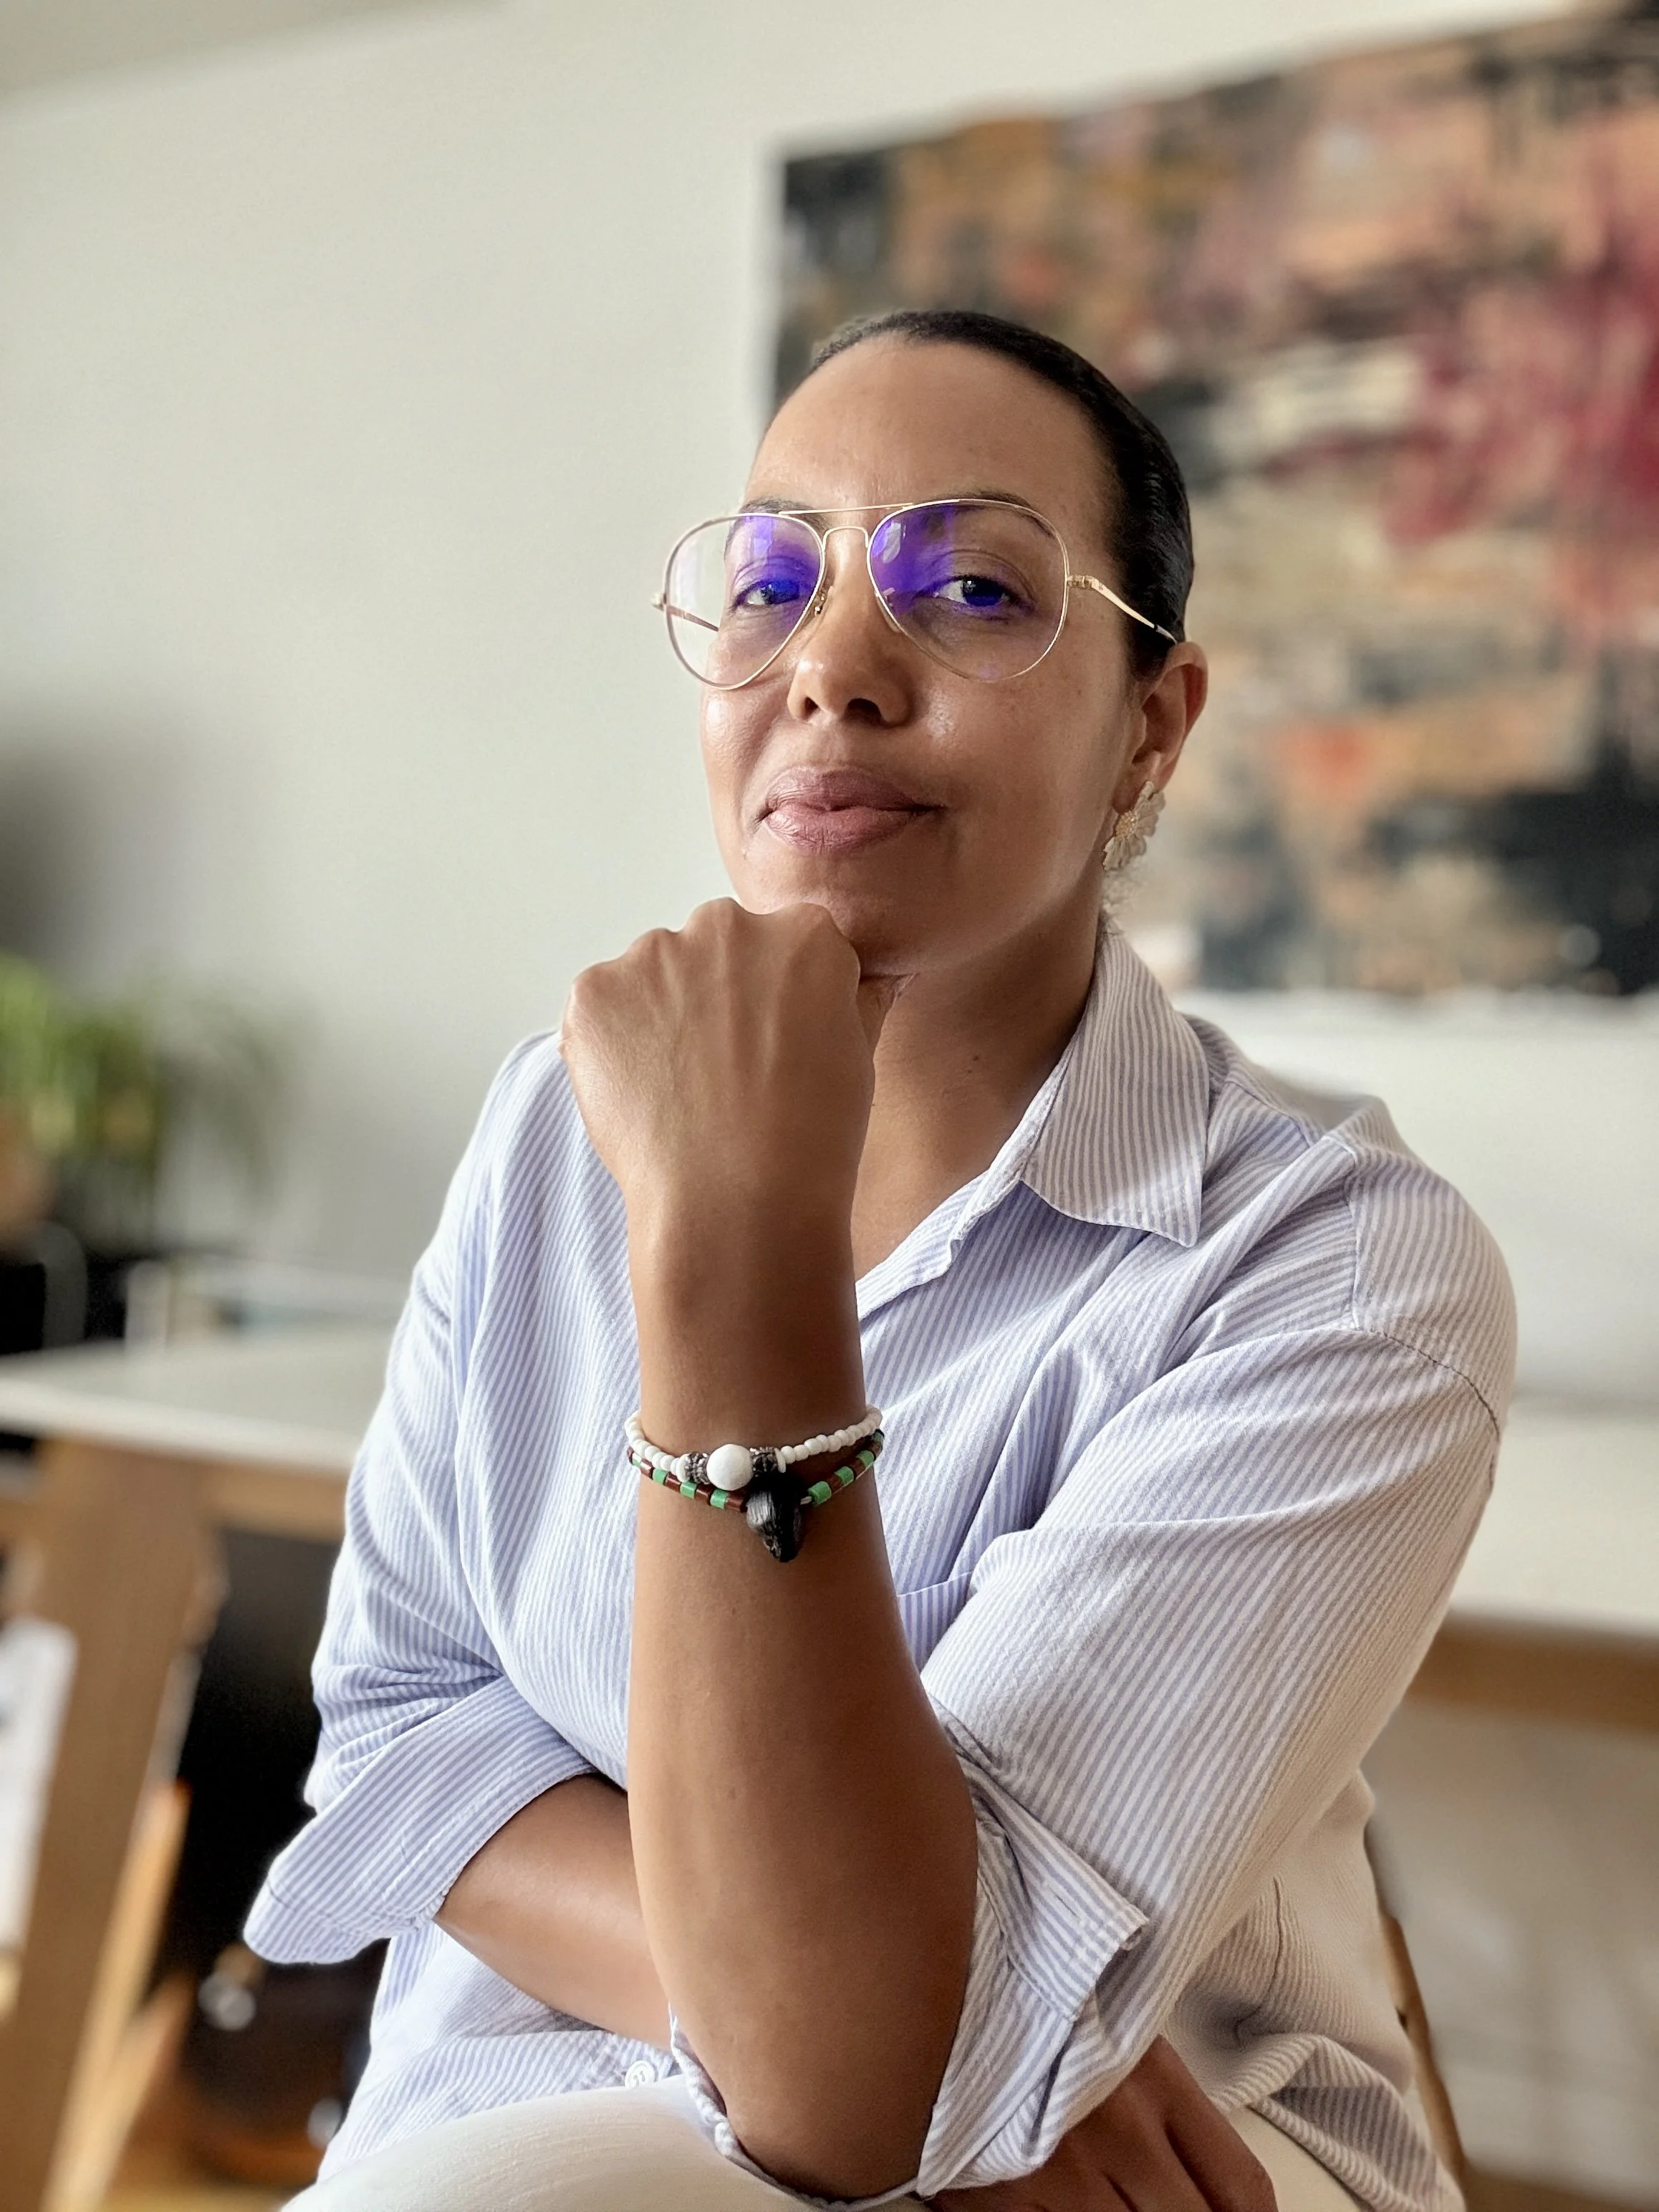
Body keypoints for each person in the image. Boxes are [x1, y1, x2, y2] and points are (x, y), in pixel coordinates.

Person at [249, 309, 1514, 2212]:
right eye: (769, 582)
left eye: (976, 590)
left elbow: (867, 2083)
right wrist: (908, 2031)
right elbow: (403, 1729)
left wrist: (734, 1247)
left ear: (1145, 731)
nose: (831, 664)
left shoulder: (1332, 1268)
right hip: (616, 2092)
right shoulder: (549, 1119)